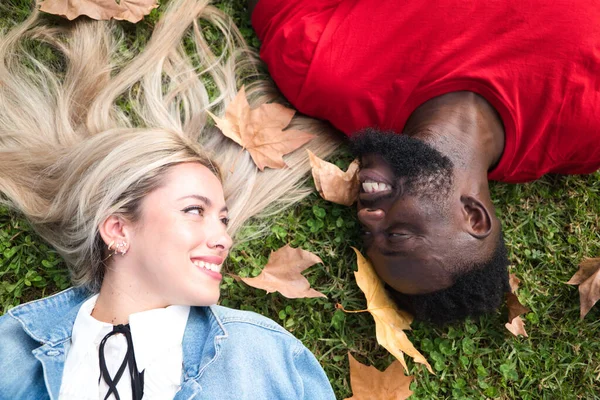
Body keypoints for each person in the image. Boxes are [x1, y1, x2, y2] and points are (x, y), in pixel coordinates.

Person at [0, 0, 339, 398]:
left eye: (224, 220)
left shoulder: (263, 355)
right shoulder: (14, 353)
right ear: (118, 228)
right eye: (195, 210)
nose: (225, 239)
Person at [248, 0, 600, 324]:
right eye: (397, 234)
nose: (365, 216)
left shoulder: (324, 73)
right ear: (473, 216)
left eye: (369, 233)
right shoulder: (584, 129)